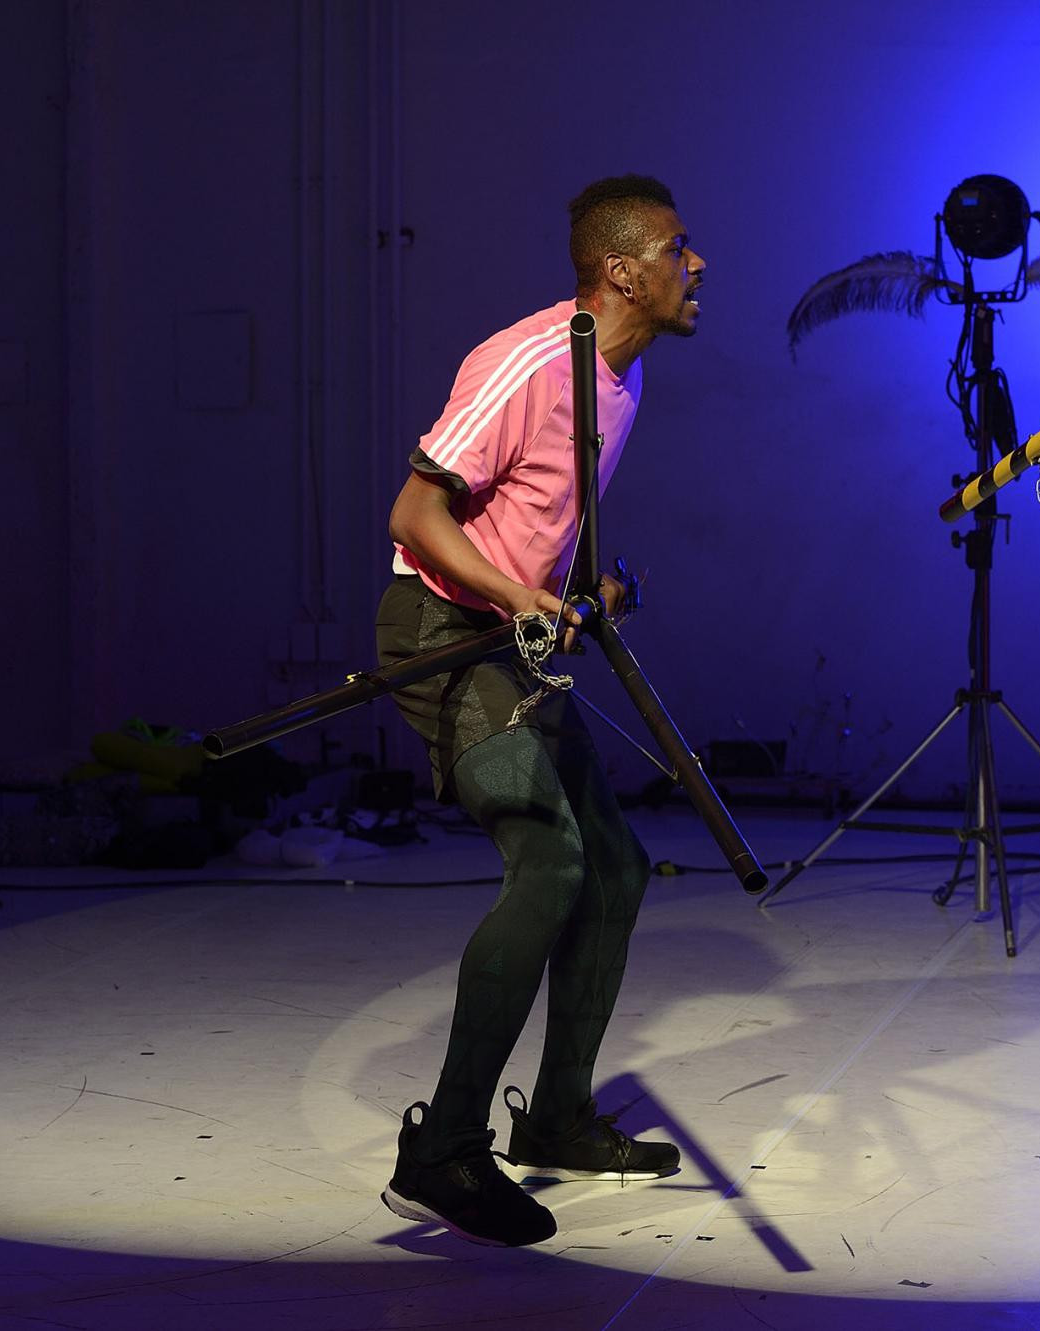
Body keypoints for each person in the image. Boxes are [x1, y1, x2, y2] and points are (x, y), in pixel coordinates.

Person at [375, 174, 705, 1247]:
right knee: (551, 863)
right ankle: (442, 1147)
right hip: (440, 635)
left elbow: (534, 515)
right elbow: (415, 512)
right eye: (678, 248)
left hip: (506, 640)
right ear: (622, 271)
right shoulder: (526, 360)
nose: (696, 264)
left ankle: (557, 1117)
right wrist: (520, 597)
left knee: (613, 867)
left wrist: (579, 589)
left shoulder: (622, 375)